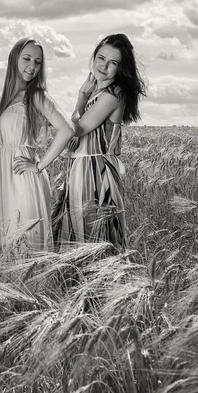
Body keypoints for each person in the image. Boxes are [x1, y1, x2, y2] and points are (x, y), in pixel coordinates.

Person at [0, 37, 74, 262]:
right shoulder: (2, 101)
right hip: (4, 183)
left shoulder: (36, 95)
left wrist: (39, 166)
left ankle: (36, 293)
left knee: (27, 244)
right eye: (27, 58)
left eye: (38, 61)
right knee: (10, 241)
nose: (32, 66)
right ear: (14, 59)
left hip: (24, 180)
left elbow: (67, 130)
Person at [53, 33, 146, 253]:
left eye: (112, 63)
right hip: (80, 171)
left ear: (120, 69)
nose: (103, 66)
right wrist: (84, 97)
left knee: (97, 237)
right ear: (93, 57)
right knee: (76, 234)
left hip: (97, 174)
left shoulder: (115, 92)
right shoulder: (97, 91)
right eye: (101, 58)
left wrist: (80, 99)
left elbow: (76, 129)